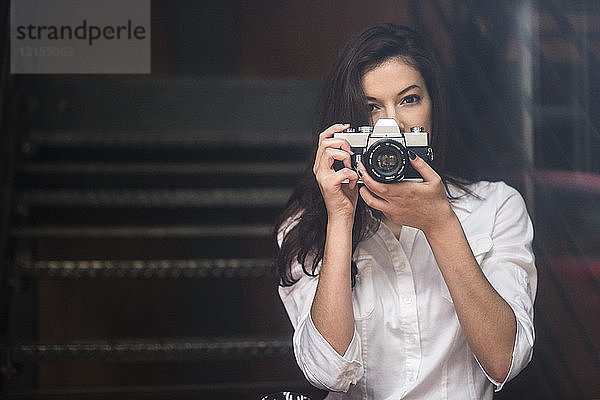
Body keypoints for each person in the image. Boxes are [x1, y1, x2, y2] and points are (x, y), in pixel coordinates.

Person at [273, 23, 536, 399]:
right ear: (346, 126)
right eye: (370, 108)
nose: (390, 127)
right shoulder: (307, 226)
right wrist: (341, 218)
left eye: (409, 99)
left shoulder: (496, 207)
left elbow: (504, 361)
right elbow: (326, 373)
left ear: (433, 107)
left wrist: (440, 224)